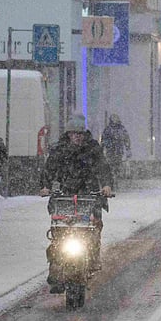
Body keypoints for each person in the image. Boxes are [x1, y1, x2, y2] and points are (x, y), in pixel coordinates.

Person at [39, 114, 114, 291]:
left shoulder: (92, 149)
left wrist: (106, 185)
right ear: (69, 134)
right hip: (65, 195)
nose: (77, 137)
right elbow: (49, 169)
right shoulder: (59, 150)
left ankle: (93, 258)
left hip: (89, 195)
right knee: (58, 231)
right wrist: (45, 186)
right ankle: (55, 268)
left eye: (80, 133)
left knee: (93, 228)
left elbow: (103, 167)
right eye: (74, 133)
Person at [101, 113, 131, 178]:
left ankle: (116, 175)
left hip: (118, 150)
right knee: (111, 164)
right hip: (111, 150)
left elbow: (126, 139)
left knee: (117, 164)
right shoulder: (108, 129)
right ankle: (112, 176)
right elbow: (103, 140)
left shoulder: (121, 129)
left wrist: (128, 149)